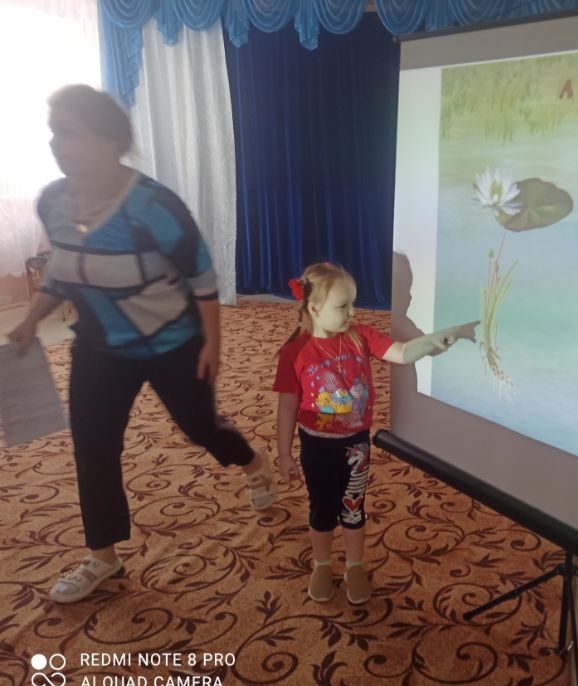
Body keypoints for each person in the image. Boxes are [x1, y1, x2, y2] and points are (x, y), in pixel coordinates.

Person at [8, 84, 276, 604]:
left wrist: (213, 343)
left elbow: (201, 277)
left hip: (172, 341)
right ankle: (102, 555)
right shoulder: (54, 201)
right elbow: (64, 266)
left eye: (68, 132)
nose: (55, 143)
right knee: (93, 445)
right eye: (53, 132)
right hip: (100, 346)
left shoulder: (153, 205)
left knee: (199, 427)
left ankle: (251, 462)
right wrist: (31, 318)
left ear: (110, 139)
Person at [274, 262, 477, 604]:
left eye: (352, 304)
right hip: (317, 447)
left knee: (353, 507)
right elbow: (286, 407)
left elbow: (401, 353)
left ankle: (354, 565)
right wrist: (283, 453)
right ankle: (322, 564)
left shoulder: (361, 336)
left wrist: (435, 339)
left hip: (356, 445)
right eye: (343, 306)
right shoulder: (295, 351)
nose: (352, 312)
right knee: (321, 510)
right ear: (314, 308)